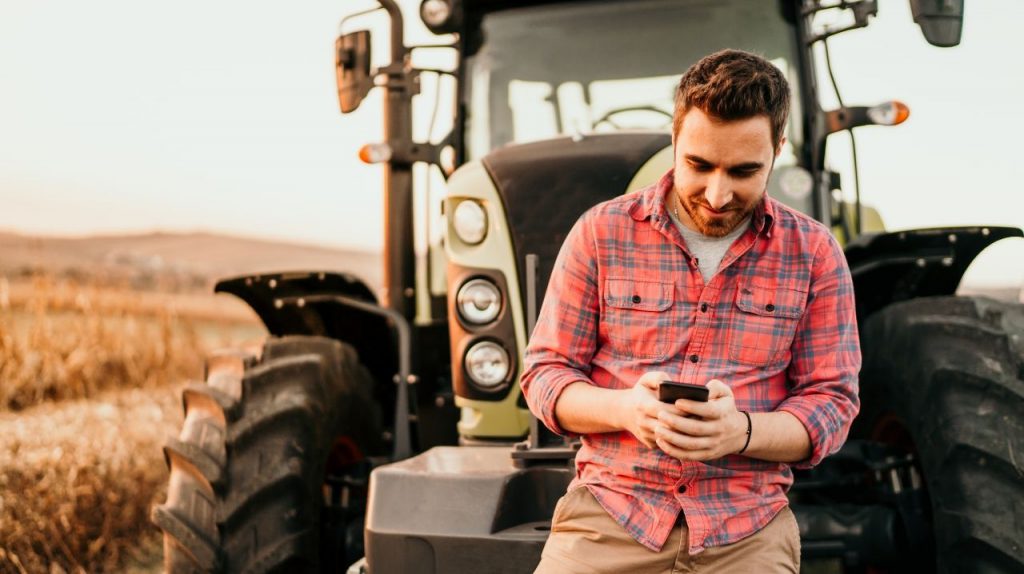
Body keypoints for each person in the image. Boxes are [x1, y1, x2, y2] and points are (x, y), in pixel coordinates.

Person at [521, 49, 861, 573]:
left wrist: (740, 433)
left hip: (747, 528)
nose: (718, 194)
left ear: (778, 151)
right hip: (610, 517)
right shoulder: (600, 232)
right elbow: (545, 375)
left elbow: (832, 402)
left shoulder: (815, 253)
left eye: (745, 171)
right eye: (699, 166)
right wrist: (627, 410)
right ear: (675, 141)